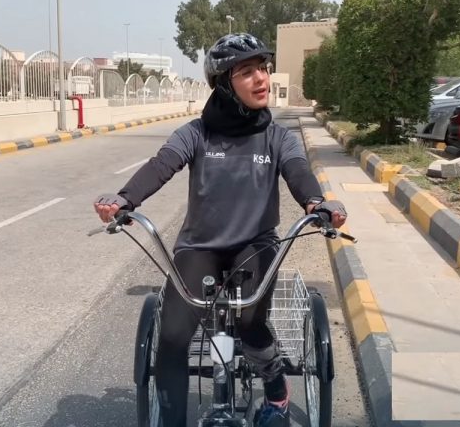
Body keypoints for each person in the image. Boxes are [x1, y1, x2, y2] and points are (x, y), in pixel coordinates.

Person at [93, 33, 347, 427]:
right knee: (173, 334)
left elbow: (298, 171)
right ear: (225, 84)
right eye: (247, 72)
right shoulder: (196, 133)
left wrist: (317, 204)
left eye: (263, 68)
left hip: (255, 245)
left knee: (250, 321)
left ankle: (276, 390)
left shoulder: (278, 137)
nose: (261, 78)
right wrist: (125, 200)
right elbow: (162, 164)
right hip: (200, 246)